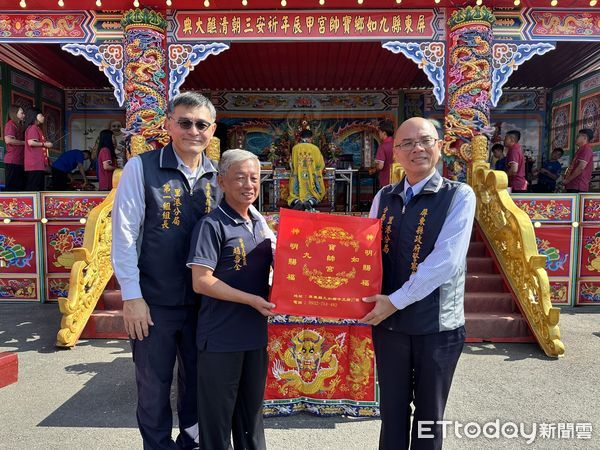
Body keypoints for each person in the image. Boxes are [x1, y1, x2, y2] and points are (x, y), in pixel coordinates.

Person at [112, 92, 220, 450]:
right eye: (185, 122)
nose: (193, 130)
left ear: (212, 130)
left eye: (201, 124)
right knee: (153, 385)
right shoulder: (141, 168)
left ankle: (191, 444)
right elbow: (124, 234)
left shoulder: (219, 176)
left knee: (197, 384)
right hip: (154, 301)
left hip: (205, 303)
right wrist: (132, 296)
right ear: (169, 124)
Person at [361, 117, 475, 450]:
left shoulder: (458, 196)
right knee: (392, 413)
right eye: (407, 143)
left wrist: (395, 300)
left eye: (425, 140)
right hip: (390, 325)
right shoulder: (384, 196)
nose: (417, 149)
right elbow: (365, 253)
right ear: (394, 152)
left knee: (428, 418)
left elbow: (446, 262)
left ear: (440, 146)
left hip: (437, 327)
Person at [187, 149, 276, 450]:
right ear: (222, 182)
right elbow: (201, 281)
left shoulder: (260, 225)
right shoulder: (212, 225)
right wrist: (250, 299)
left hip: (254, 335)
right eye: (239, 178)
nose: (248, 185)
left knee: (251, 418)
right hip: (221, 338)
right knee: (217, 421)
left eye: (254, 178)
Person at [287, 128, 326, 210]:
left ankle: (297, 202)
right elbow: (320, 165)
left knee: (293, 195)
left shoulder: (295, 148)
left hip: (298, 177)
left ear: (300, 137)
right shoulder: (315, 148)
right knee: (318, 194)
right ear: (311, 138)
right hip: (311, 178)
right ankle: (310, 202)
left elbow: (291, 164)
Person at [24, 108, 52, 191]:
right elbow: (31, 142)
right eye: (41, 115)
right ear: (35, 116)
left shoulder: (37, 128)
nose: (43, 117)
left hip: (38, 164)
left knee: (38, 188)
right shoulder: (33, 128)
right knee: (34, 188)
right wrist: (45, 144)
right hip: (34, 164)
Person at [3, 105, 26, 191]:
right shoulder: (10, 124)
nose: (24, 115)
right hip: (12, 161)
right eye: (22, 113)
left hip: (19, 161)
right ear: (14, 113)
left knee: (19, 187)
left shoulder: (18, 126)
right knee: (12, 188)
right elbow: (8, 140)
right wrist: (24, 143)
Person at [563, 128, 594, 193]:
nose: (575, 138)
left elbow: (581, 167)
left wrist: (568, 180)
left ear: (585, 137)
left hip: (578, 186)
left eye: (578, 136)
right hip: (572, 185)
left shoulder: (586, 149)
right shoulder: (580, 150)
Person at [373, 119, 395, 188]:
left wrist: (375, 168)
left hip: (386, 180)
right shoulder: (398, 144)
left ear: (384, 133)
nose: (378, 134)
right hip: (399, 179)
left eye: (379, 132)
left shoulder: (382, 146)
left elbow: (380, 166)